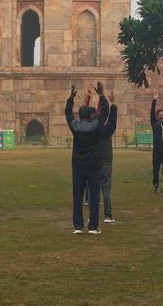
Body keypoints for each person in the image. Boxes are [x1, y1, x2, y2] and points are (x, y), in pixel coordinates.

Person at [65, 84, 111, 234]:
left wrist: (71, 98)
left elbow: (68, 114)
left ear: (80, 116)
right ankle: (93, 227)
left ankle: (78, 226)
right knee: (94, 197)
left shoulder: (75, 127)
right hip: (93, 166)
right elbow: (105, 112)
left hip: (78, 166)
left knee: (78, 197)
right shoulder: (96, 126)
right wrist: (102, 95)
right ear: (91, 116)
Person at [97, 87, 119, 224]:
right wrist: (113, 104)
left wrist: (100, 97)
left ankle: (92, 215)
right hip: (106, 162)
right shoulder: (105, 131)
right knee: (106, 189)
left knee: (93, 190)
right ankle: (108, 216)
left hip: (94, 162)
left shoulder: (91, 130)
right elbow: (112, 121)